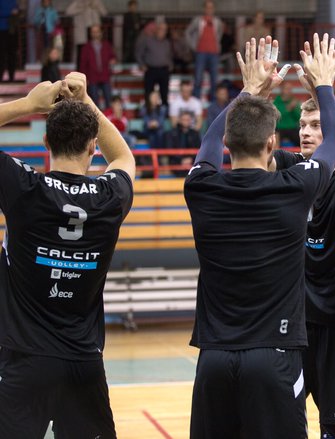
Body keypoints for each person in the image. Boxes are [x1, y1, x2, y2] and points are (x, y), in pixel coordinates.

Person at [184, 33, 335, 438]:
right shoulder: (294, 186)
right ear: (272, 143)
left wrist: (249, 91)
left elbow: (207, 142)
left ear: (227, 143)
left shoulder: (200, 185)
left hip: (214, 357)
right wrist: (323, 83)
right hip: (274, 355)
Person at [0, 73, 135, 438]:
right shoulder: (110, 196)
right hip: (83, 362)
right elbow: (122, 155)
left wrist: (30, 104)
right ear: (93, 146)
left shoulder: (24, 187)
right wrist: (87, 100)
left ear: (45, 141)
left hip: (25, 360)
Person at [267, 56, 335, 438]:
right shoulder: (290, 169)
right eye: (304, 125)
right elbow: (250, 148)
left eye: (317, 125)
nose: (306, 132)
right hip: (293, 323)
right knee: (283, 425)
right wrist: (263, 91)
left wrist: (320, 90)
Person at [185, 0, 223, 100]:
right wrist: (193, 46)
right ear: (204, 9)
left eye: (211, 7)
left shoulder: (217, 21)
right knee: (198, 78)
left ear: (213, 9)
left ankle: (214, 101)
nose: (209, 9)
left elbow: (218, 34)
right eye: (207, 7)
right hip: (200, 52)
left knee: (214, 80)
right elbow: (188, 33)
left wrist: (216, 45)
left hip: (214, 53)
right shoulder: (198, 20)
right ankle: (196, 100)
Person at [135, 20, 172, 108]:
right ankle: (148, 112)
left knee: (164, 93)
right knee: (148, 93)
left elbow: (170, 55)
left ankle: (164, 112)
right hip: (151, 70)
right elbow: (138, 53)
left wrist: (170, 64)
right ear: (156, 29)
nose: (163, 31)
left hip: (164, 70)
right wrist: (141, 64)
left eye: (165, 30)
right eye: (161, 29)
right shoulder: (148, 40)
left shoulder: (167, 42)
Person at [79, 24, 116, 109]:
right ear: (91, 33)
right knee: (94, 103)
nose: (95, 33)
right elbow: (83, 64)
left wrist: (113, 60)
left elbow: (112, 56)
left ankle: (108, 119)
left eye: (97, 31)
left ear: (101, 33)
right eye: (93, 32)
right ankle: (97, 121)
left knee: (109, 101)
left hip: (105, 76)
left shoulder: (107, 45)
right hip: (92, 78)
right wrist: (84, 79)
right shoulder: (86, 47)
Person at [65, 0, 107, 67]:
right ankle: (80, 71)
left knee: (95, 52)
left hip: (94, 30)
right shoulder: (78, 2)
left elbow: (104, 13)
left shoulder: (96, 2)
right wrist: (82, 8)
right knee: (81, 52)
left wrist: (96, 6)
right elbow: (68, 11)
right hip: (82, 31)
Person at [163, 111, 200, 177]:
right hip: (176, 162)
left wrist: (190, 159)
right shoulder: (172, 133)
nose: (186, 121)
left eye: (188, 120)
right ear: (179, 120)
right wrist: (181, 160)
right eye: (184, 119)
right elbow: (169, 150)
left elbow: (199, 150)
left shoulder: (195, 134)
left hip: (192, 162)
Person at [273, 81, 301, 146]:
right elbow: (277, 116)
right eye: (287, 89)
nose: (289, 91)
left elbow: (298, 118)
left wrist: (294, 109)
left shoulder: (294, 101)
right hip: (280, 129)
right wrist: (288, 108)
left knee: (300, 135)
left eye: (290, 89)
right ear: (282, 89)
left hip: (292, 129)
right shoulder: (276, 101)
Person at [0, 1, 19, 83]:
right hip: (1, 31)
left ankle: (12, 77)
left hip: (12, 30)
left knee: (12, 54)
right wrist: (10, 13)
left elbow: (17, 10)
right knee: (1, 55)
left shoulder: (13, 1)